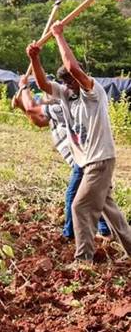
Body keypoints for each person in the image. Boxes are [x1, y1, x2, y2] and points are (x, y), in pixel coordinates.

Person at [27, 22, 131, 263]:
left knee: (79, 207)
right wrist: (34, 59)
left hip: (100, 160)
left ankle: (83, 260)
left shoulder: (93, 92)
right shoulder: (66, 94)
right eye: (67, 83)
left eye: (73, 81)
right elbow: (42, 84)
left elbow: (72, 66)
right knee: (110, 211)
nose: (70, 86)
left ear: (80, 79)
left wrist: (59, 36)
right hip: (88, 163)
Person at [13, 74, 110, 239]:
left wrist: (23, 87)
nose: (43, 96)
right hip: (84, 157)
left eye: (47, 92)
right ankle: (105, 230)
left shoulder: (60, 104)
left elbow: (32, 109)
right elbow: (39, 121)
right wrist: (22, 106)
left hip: (85, 158)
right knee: (97, 194)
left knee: (73, 195)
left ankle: (70, 233)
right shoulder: (52, 109)